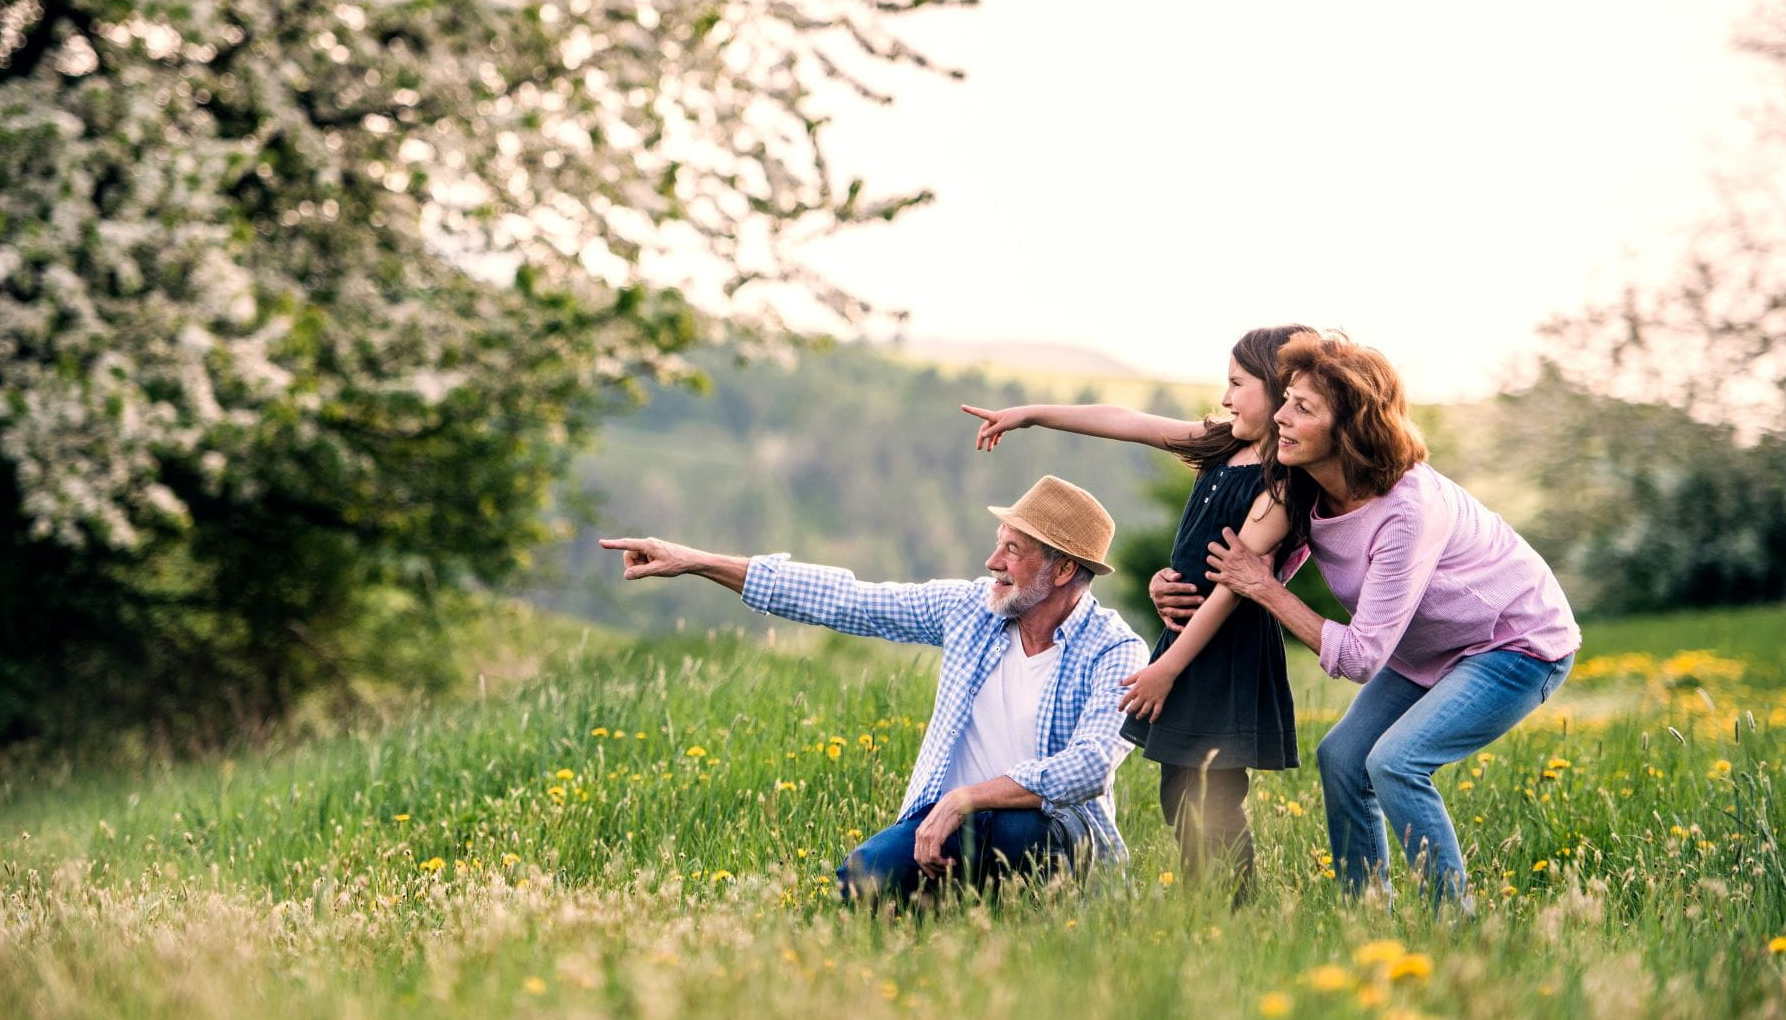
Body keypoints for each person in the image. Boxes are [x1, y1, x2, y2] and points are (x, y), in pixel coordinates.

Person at [599, 475, 1146, 905]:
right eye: (998, 544)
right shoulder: (969, 610)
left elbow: (1090, 765)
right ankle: (944, 902)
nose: (992, 562)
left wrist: (966, 798)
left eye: (1012, 550)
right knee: (861, 881)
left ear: (1063, 568)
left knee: (1023, 826)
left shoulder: (1115, 650)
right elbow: (848, 600)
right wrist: (697, 561)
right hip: (944, 827)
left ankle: (1016, 910)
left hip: (1049, 837)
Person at [1196, 331, 1580, 908]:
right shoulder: (1308, 483)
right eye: (1285, 401)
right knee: (1343, 757)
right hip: (1428, 650)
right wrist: (1174, 586)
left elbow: (1358, 657)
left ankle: (1455, 922)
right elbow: (1259, 562)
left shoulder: (1406, 509)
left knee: (1396, 763)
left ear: (1348, 429)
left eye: (1303, 408)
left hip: (1516, 644)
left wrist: (1267, 591)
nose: (1280, 417)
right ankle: (1366, 912)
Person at [961, 325, 1310, 899]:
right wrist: (1031, 414)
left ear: (1277, 388)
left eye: (1237, 384)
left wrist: (1167, 669)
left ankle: (1232, 909)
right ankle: (1212, 904)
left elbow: (1231, 590)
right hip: (1187, 636)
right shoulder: (1224, 443)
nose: (1225, 398)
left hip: (1223, 648)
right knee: (1182, 786)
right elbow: (1128, 421)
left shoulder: (1281, 484)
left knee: (1212, 790)